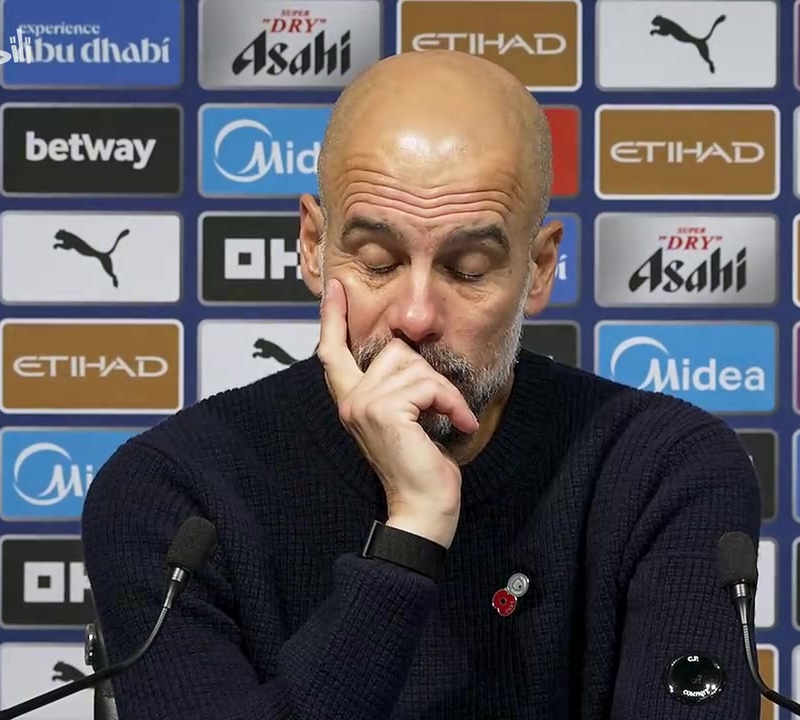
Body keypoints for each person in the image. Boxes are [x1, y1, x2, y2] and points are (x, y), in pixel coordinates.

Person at [81, 50, 763, 719]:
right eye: (378, 262)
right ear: (313, 246)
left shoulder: (665, 469)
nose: (415, 317)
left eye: (468, 269)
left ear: (539, 269)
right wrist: (412, 530)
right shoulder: (172, 494)